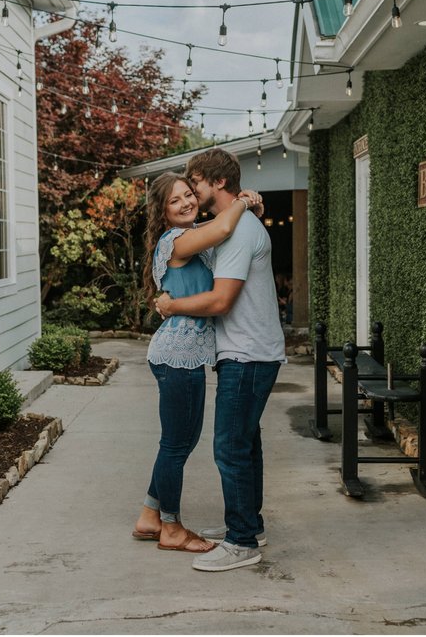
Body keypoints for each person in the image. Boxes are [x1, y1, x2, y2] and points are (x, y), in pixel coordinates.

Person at [155, 148, 286, 572]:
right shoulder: (232, 226)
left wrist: (172, 307)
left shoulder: (237, 231)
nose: (192, 192)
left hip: (246, 352)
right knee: (245, 444)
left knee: (230, 448)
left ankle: (242, 542)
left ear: (218, 183)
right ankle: (250, 526)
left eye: (195, 182)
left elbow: (221, 299)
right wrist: (249, 200)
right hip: (250, 349)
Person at [132, 172, 263, 553]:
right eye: (176, 200)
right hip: (178, 354)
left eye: (189, 194)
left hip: (182, 353)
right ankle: (170, 528)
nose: (187, 202)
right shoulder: (177, 240)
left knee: (179, 442)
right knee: (176, 445)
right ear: (163, 211)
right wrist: (243, 199)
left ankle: (149, 515)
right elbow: (222, 227)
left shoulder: (188, 236)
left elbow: (222, 227)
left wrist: (251, 208)